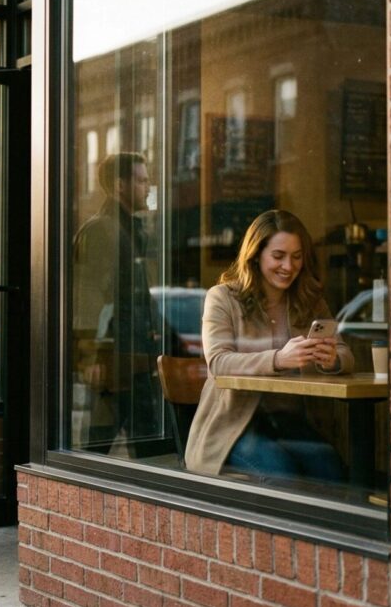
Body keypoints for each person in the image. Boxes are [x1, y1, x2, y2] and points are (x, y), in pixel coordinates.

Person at [185, 209, 353, 481]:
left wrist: (331, 358)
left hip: (289, 424)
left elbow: (346, 354)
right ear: (256, 254)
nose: (288, 266)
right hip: (233, 428)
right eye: (278, 256)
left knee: (332, 472)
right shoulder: (223, 298)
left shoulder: (309, 301)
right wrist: (278, 359)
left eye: (296, 257)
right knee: (284, 475)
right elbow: (217, 362)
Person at [72, 153, 161, 453]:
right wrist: (91, 355)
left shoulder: (127, 228)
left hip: (132, 354)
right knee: (103, 445)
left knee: (144, 442)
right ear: (120, 185)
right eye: (142, 180)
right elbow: (87, 295)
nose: (148, 187)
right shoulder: (103, 230)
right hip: (115, 357)